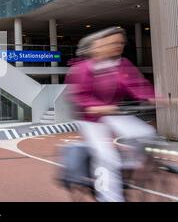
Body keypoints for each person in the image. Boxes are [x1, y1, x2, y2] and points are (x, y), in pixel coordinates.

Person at [66, 27, 162, 202]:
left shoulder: (122, 64)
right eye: (113, 43)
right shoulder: (82, 68)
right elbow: (80, 95)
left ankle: (130, 165)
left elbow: (136, 85)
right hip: (91, 119)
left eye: (121, 43)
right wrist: (94, 107)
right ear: (99, 45)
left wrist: (156, 99)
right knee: (106, 156)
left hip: (112, 112)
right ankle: (110, 198)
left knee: (147, 133)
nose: (118, 46)